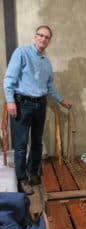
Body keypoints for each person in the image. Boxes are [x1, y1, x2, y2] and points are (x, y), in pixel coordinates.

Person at [3, 25, 72, 195]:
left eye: (47, 37)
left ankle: (33, 172)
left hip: (40, 105)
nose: (43, 39)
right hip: (22, 104)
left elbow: (49, 86)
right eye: (40, 35)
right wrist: (10, 101)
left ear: (49, 41)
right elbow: (9, 78)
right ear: (35, 37)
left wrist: (61, 101)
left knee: (37, 142)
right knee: (20, 145)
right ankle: (21, 179)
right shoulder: (22, 53)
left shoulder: (47, 63)